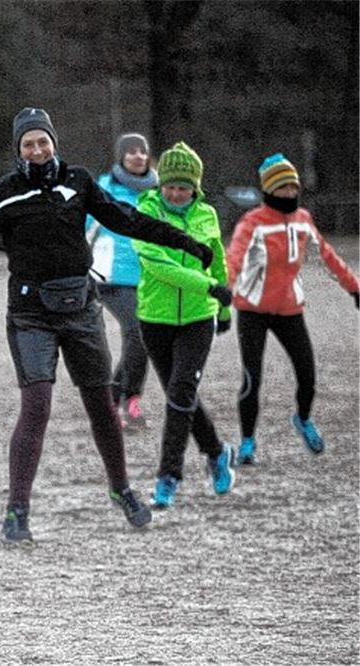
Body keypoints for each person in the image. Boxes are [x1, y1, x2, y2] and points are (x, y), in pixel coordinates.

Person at [0, 108, 214, 543]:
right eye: (28, 144)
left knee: (102, 405)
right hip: (31, 315)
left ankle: (121, 489)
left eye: (42, 141)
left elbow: (128, 220)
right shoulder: (4, 194)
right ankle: (17, 510)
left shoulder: (78, 181)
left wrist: (185, 242)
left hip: (81, 309)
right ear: (18, 150)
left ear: (53, 142)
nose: (37, 149)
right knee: (37, 407)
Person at [226, 153, 360, 465]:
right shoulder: (253, 223)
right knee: (251, 377)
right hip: (252, 309)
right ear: (269, 189)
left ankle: (302, 418)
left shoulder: (303, 220)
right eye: (283, 186)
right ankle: (247, 441)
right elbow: (233, 259)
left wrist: (353, 286)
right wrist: (223, 291)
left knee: (308, 375)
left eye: (293, 186)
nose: (289, 192)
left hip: (289, 308)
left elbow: (327, 255)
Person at [133, 141, 236, 509]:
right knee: (181, 397)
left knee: (180, 392)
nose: (176, 193)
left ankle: (168, 476)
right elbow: (159, 266)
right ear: (160, 186)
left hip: (197, 317)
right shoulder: (144, 213)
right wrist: (210, 286)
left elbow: (217, 259)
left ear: (196, 188)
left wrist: (222, 309)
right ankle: (217, 451)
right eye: (170, 186)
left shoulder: (207, 214)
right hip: (155, 318)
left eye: (184, 187)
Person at [85, 133, 157, 429]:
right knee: (137, 331)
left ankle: (123, 399)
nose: (138, 156)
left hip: (148, 277)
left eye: (142, 151)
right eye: (131, 151)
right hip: (110, 276)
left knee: (148, 336)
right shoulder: (104, 190)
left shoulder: (156, 193)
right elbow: (85, 230)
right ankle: (122, 399)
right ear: (121, 157)